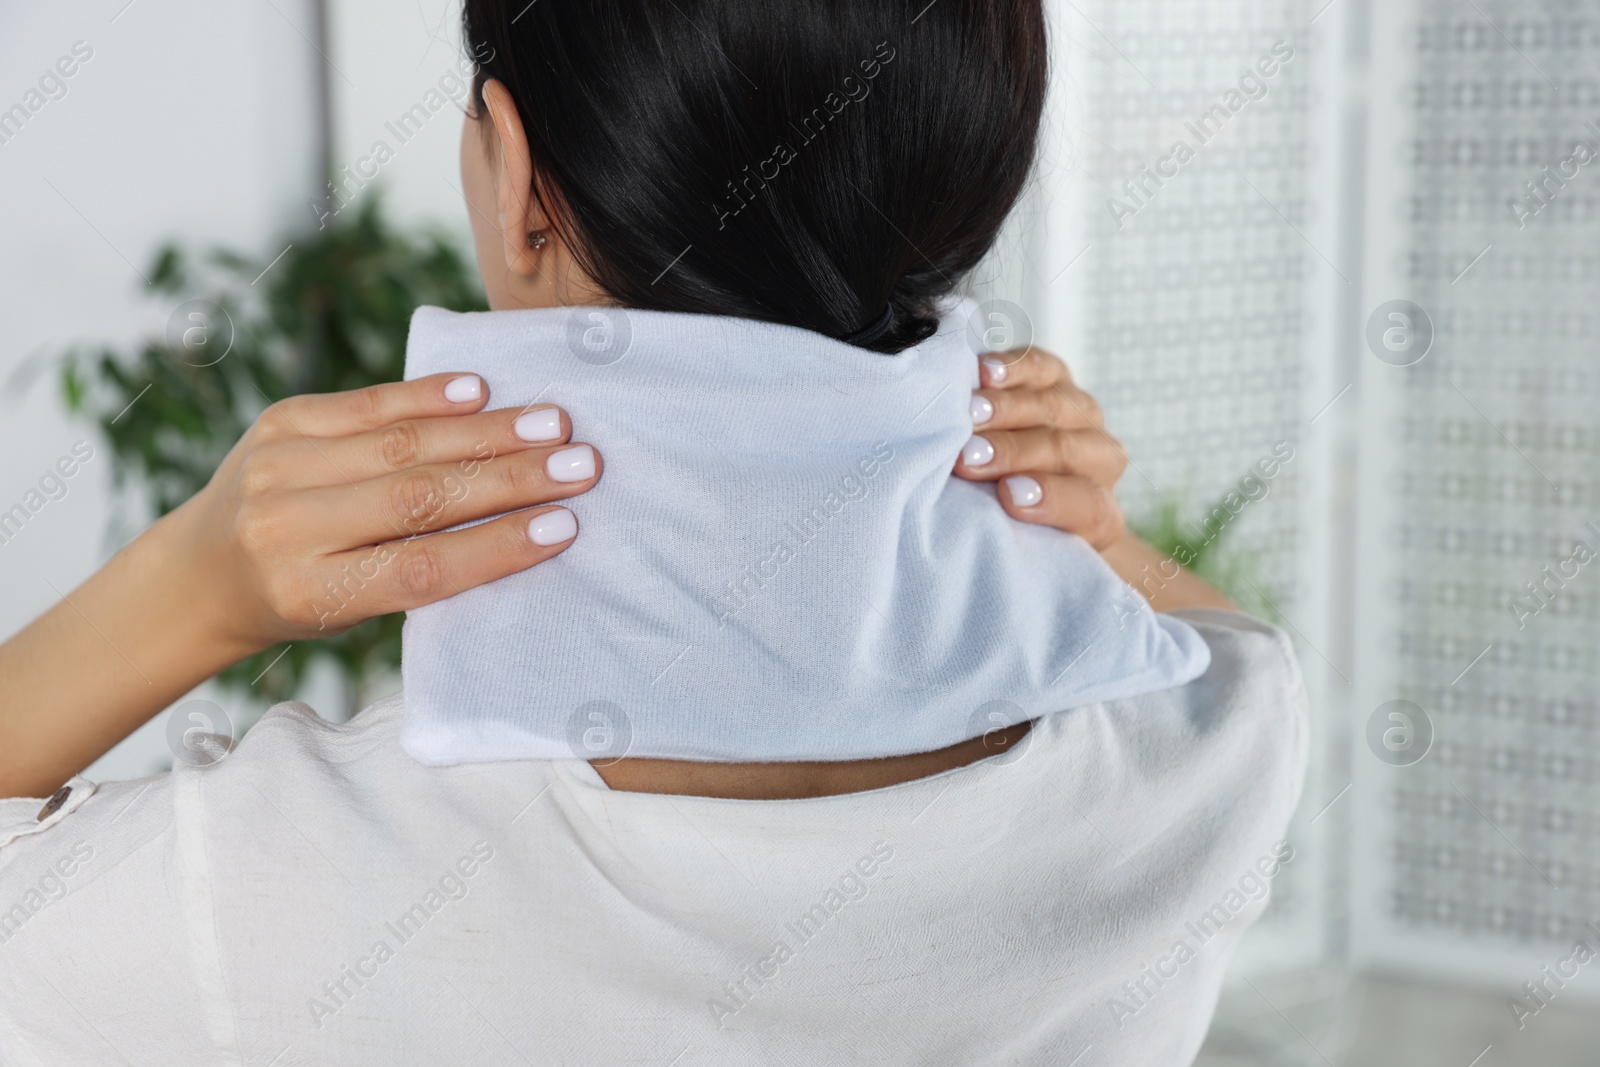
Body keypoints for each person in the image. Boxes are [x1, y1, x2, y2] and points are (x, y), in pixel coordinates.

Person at [0, 1, 1307, 1062]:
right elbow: (1213, 640)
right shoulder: (1213, 753)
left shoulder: (272, 889)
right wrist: (1093, 531)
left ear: (519, 184)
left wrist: (192, 584)